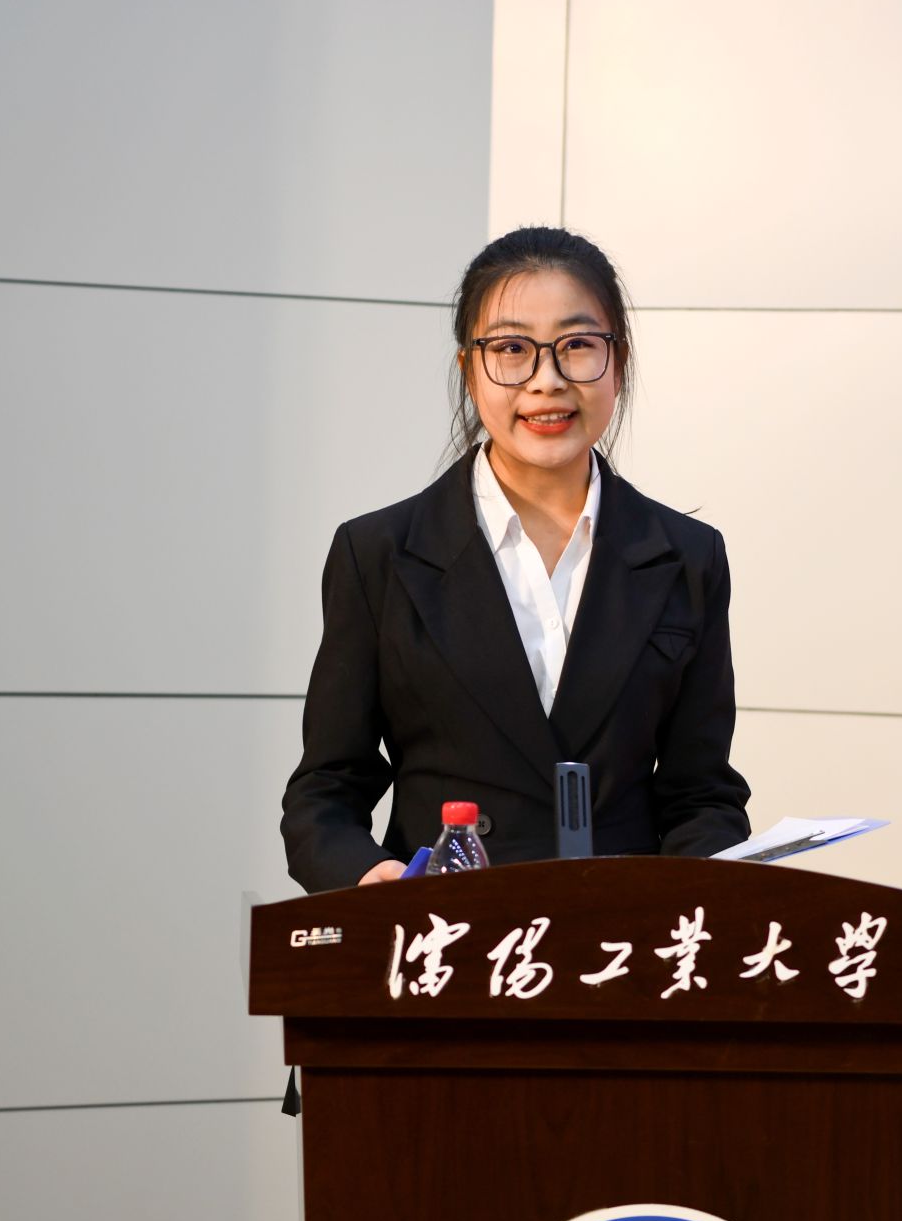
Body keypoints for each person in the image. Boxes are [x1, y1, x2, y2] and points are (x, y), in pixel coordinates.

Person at [280, 227, 750, 893]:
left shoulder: (688, 557)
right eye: (511, 349)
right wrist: (369, 877)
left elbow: (701, 796)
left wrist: (707, 888)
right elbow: (325, 792)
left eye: (577, 345)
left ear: (618, 360)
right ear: (468, 367)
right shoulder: (379, 554)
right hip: (447, 932)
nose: (547, 381)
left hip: (620, 937)